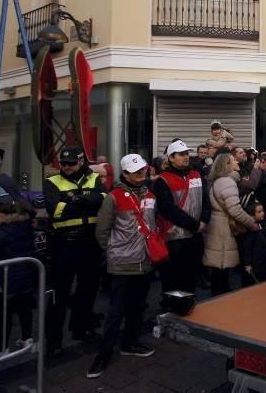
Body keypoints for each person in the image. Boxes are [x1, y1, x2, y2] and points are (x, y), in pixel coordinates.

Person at [88, 154, 157, 379]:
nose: (141, 174)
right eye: (135, 171)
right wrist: (114, 251)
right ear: (125, 173)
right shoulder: (114, 197)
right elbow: (102, 230)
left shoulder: (149, 194)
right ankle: (103, 355)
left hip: (145, 261)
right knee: (116, 311)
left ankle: (130, 343)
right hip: (123, 263)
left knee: (138, 307)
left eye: (142, 170)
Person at [43, 146, 107, 357]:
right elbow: (56, 211)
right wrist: (88, 201)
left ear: (81, 162)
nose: (67, 167)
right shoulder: (52, 182)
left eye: (71, 163)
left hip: (90, 242)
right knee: (59, 294)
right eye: (63, 163)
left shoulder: (94, 177)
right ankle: (53, 342)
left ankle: (81, 329)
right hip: (64, 243)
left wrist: (75, 199)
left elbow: (104, 200)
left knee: (87, 290)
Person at [0, 202, 36, 363]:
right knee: (25, 309)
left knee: (5, 314)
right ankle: (27, 339)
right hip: (26, 276)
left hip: (7, 280)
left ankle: (1, 349)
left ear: (3, 215)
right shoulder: (26, 227)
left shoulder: (0, 233)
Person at [153, 140, 211, 295]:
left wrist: (204, 220)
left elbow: (206, 200)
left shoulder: (196, 175)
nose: (186, 157)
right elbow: (167, 209)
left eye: (187, 154)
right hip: (175, 238)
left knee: (190, 277)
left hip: (195, 236)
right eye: (181, 154)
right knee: (173, 280)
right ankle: (171, 312)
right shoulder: (162, 180)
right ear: (171, 158)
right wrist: (194, 225)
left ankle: (187, 306)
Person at [206, 153, 259, 296]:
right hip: (223, 229)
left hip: (216, 227)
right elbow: (235, 209)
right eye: (233, 160)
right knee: (222, 268)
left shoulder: (218, 181)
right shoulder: (228, 182)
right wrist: (252, 223)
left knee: (218, 270)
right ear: (227, 165)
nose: (236, 162)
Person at [240, 202, 266, 286]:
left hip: (264, 262)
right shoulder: (251, 230)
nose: (263, 213)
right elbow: (246, 247)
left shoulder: (265, 225)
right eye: (259, 212)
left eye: (263, 211)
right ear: (252, 216)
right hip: (255, 264)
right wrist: (247, 264)